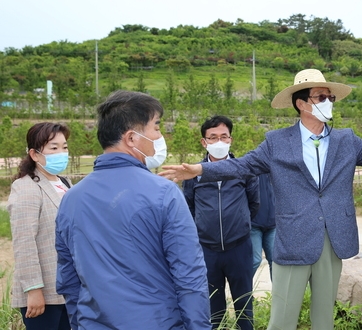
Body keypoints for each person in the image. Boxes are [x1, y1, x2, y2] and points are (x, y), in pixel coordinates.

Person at [160, 69, 362, 330]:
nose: (328, 102)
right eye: (321, 97)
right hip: (294, 239)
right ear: (302, 104)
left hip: (333, 237)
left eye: (330, 97)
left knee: (324, 318)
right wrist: (200, 169)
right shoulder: (277, 142)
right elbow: (241, 165)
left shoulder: (345, 140)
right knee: (282, 319)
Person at [55, 90, 211, 330]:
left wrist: (81, 322)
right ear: (131, 138)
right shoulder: (163, 192)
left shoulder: (72, 198)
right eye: (156, 127)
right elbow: (189, 274)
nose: (160, 136)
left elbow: (68, 277)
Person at [182, 115, 259, 330]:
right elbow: (189, 207)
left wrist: (239, 225)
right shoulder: (192, 174)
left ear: (231, 140)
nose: (219, 142)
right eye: (213, 137)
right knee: (214, 305)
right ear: (204, 142)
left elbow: (254, 204)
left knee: (244, 301)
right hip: (207, 249)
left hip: (239, 247)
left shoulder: (244, 169)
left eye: (224, 137)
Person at [8, 122, 72, 330]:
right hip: (43, 293)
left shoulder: (65, 183)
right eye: (54, 148)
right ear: (35, 154)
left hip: (69, 287)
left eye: (64, 147)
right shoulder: (27, 187)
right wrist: (33, 289)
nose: (61, 153)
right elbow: (24, 241)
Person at [250, 173, 276, 278]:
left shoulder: (275, 166)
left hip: (273, 224)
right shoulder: (251, 164)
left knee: (275, 261)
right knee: (255, 260)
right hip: (254, 224)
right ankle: (244, 292)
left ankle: (278, 294)